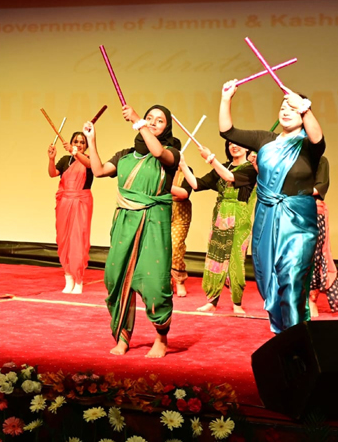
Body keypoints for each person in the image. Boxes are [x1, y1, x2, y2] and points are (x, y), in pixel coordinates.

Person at [219, 79, 324, 333]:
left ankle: (296, 339)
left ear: (303, 113)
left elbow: (318, 138)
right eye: (283, 107)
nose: (286, 111)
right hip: (267, 217)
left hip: (298, 220)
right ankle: (283, 333)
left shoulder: (307, 145)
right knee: (269, 282)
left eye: (292, 108)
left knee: (292, 277)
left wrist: (305, 108)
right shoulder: (265, 140)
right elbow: (228, 131)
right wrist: (226, 98)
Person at [84, 104, 179, 358]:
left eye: (159, 120)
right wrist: (92, 140)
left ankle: (161, 338)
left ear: (166, 127)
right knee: (115, 278)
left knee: (154, 283)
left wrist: (139, 120)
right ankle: (123, 337)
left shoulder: (171, 153)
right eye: (150, 118)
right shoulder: (125, 155)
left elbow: (157, 151)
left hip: (154, 223)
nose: (153, 122)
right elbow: (99, 171)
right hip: (125, 223)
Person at [178, 141, 257, 315]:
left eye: (238, 144)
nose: (233, 146)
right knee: (215, 258)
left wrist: (211, 158)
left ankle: (237, 303)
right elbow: (196, 184)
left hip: (239, 218)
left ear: (247, 147)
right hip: (220, 217)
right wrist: (182, 164)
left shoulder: (251, 169)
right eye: (230, 144)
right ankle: (211, 301)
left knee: (236, 259)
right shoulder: (223, 167)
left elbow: (230, 177)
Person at [48, 132, 94, 294]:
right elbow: (52, 173)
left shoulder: (89, 159)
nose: (79, 144)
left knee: (78, 239)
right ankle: (68, 277)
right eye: (76, 141)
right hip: (65, 202)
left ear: (86, 145)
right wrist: (52, 159)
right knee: (64, 239)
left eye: (82, 142)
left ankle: (78, 280)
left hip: (81, 202)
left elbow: (90, 165)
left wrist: (74, 152)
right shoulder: (65, 160)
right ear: (72, 142)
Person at [308, 156, 338, 317]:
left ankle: (311, 300)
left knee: (314, 257)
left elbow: (319, 187)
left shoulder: (320, 160)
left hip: (313, 210)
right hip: (290, 211)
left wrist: (295, 191)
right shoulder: (290, 158)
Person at [170, 164, 193, 297]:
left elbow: (184, 194)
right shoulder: (158, 168)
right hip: (160, 212)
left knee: (176, 247)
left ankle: (179, 280)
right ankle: (165, 281)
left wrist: (165, 191)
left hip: (180, 214)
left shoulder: (186, 170)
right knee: (160, 248)